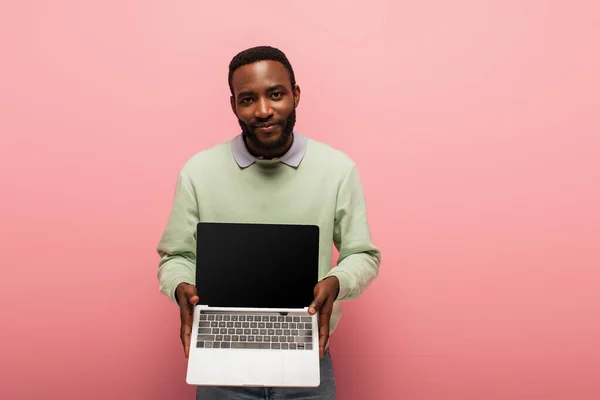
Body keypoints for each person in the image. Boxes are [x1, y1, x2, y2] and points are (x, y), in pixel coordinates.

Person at [156, 45, 381, 400]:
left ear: (295, 95)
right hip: (223, 351)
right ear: (234, 105)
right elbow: (176, 256)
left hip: (307, 348)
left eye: (275, 94)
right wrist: (181, 285)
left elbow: (362, 254)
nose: (263, 110)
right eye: (248, 99)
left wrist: (338, 281)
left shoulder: (337, 170)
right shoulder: (198, 172)